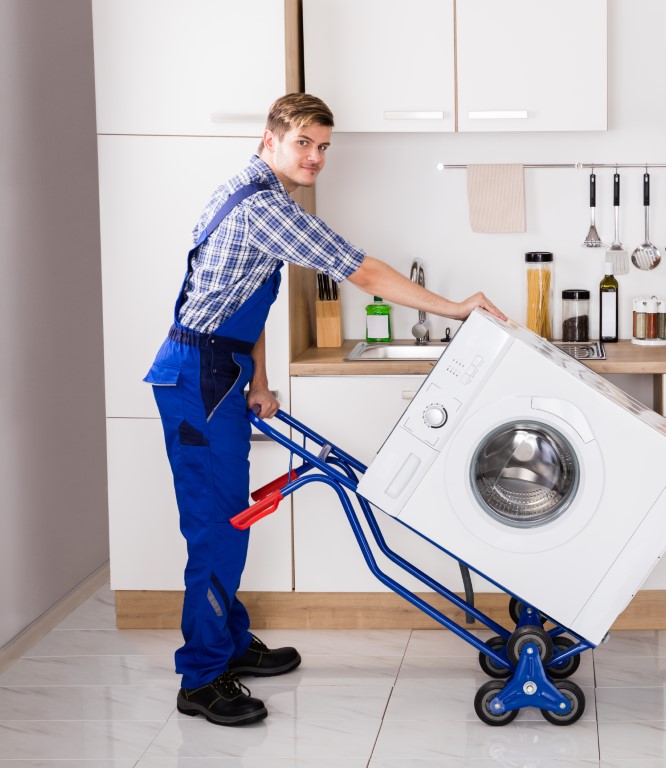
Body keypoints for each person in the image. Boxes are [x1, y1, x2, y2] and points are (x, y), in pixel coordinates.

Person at [144, 93, 505, 726]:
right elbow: (359, 270)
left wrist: (257, 378)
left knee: (230, 520)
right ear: (270, 139)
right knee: (217, 528)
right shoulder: (263, 207)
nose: (316, 157)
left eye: (324, 147)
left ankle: (228, 643)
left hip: (217, 371)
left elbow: (243, 297)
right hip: (196, 379)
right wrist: (450, 308)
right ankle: (201, 677)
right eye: (304, 143)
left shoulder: (257, 194)